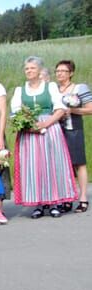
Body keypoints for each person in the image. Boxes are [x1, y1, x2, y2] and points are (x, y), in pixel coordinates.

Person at [10, 56, 77, 218]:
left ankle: (54, 202)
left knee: (51, 165)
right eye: (26, 69)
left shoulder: (50, 87)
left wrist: (45, 123)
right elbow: (15, 112)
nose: (29, 71)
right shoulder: (20, 90)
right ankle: (38, 204)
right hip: (29, 133)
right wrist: (29, 125)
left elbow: (60, 109)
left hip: (50, 128)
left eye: (32, 68)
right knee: (33, 166)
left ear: (39, 70)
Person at [55, 60, 92, 213]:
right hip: (57, 129)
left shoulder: (79, 88)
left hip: (74, 128)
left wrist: (73, 111)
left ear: (71, 73)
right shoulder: (54, 88)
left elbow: (90, 109)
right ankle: (67, 197)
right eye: (57, 71)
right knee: (63, 165)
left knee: (79, 163)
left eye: (63, 71)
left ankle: (83, 197)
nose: (60, 74)